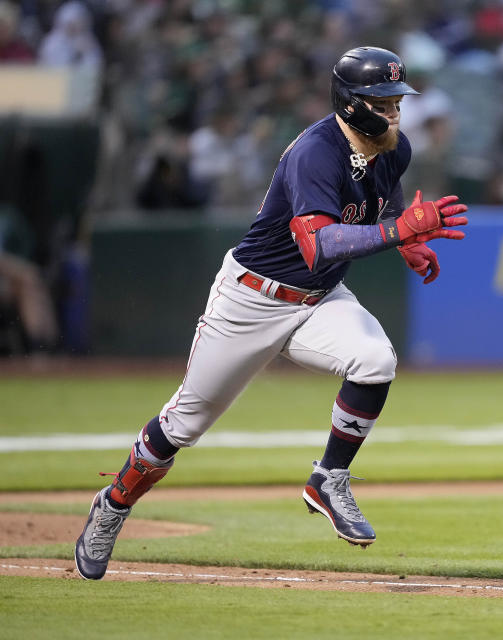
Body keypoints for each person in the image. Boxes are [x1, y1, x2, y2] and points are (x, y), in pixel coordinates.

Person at [74, 46, 469, 581]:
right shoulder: (316, 152)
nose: (395, 109)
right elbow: (319, 245)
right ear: (352, 103)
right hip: (252, 299)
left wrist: (403, 239)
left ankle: (329, 477)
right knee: (182, 425)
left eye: (398, 97)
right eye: (384, 100)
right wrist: (398, 231)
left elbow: (386, 203)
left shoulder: (392, 147)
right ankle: (114, 505)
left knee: (376, 360)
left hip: (320, 300)